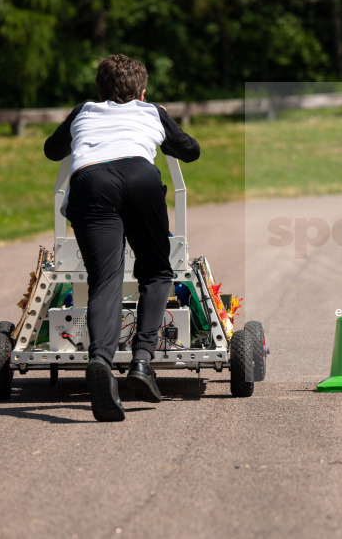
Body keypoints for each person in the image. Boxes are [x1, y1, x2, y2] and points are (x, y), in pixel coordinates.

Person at [44, 54, 200, 421]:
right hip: (141, 177)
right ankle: (142, 363)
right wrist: (161, 116)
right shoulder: (151, 112)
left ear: (98, 90)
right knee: (157, 272)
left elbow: (52, 151)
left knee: (106, 279)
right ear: (142, 91)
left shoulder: (85, 110)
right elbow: (191, 151)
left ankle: (100, 359)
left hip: (90, 183)